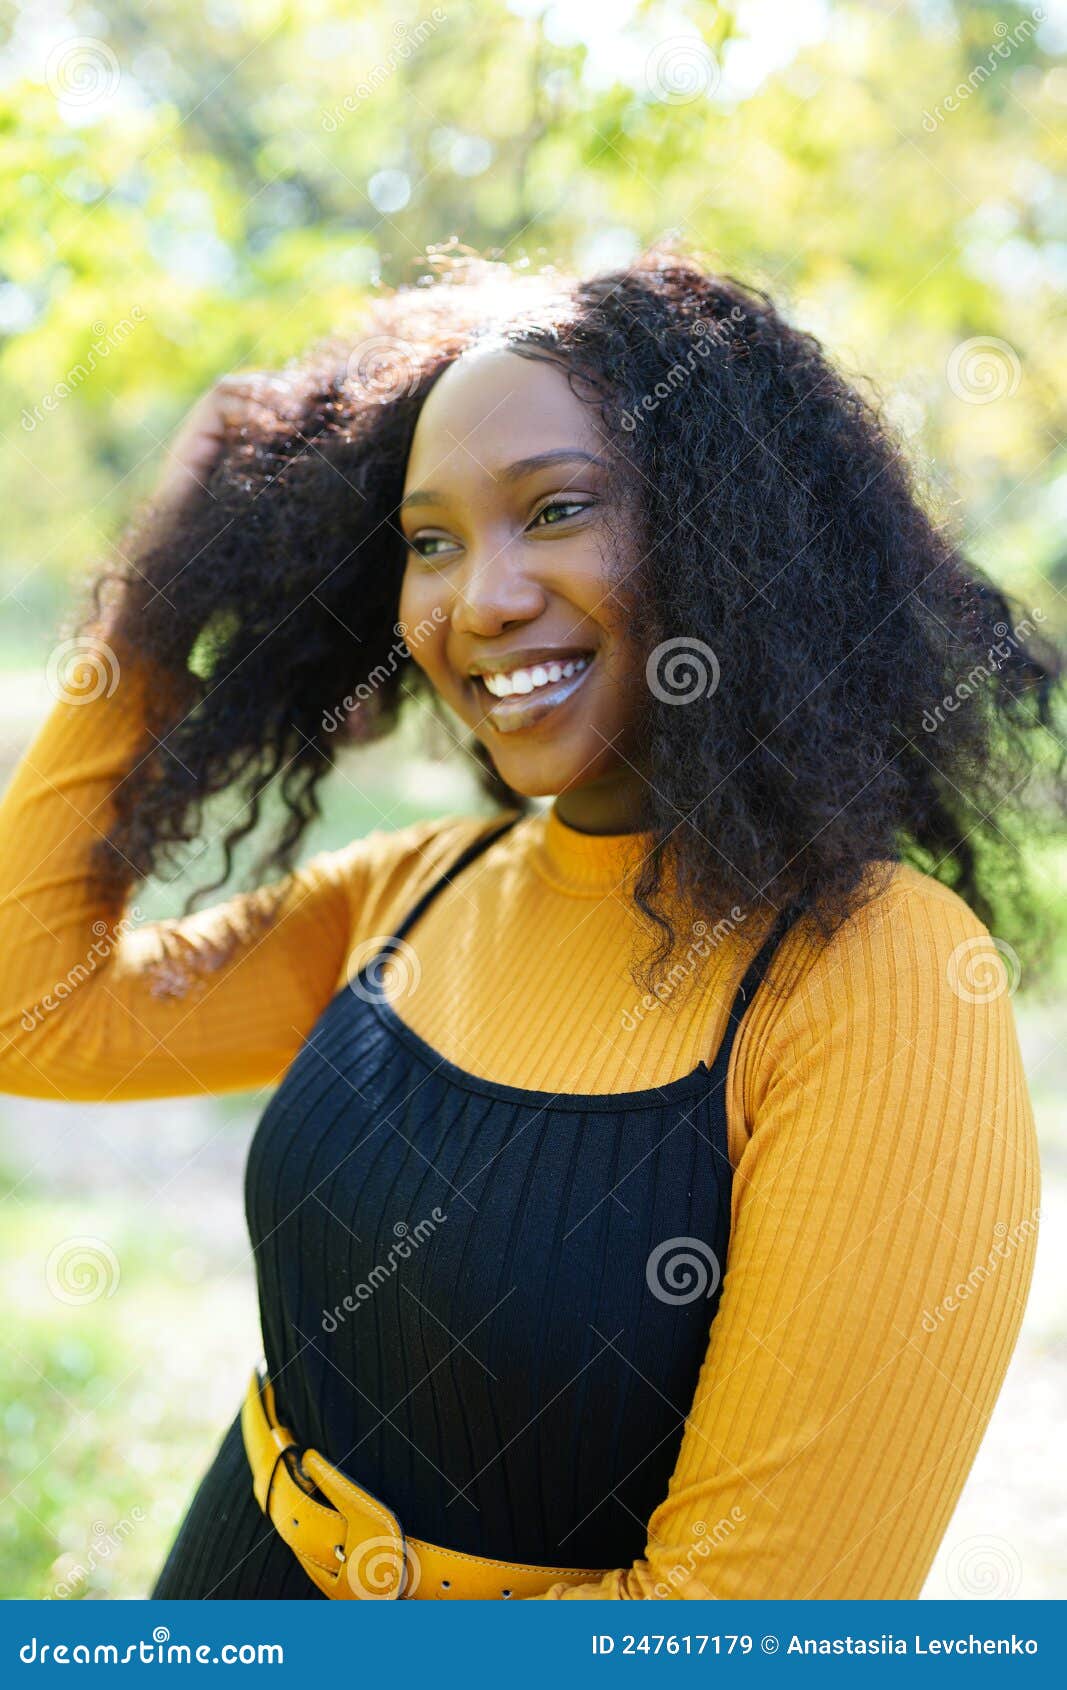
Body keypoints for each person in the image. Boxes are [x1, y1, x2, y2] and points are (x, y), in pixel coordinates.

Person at [0, 249, 1058, 1601]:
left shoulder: (877, 975)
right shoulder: (417, 888)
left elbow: (739, 1630)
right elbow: (30, 1013)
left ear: (733, 534)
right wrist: (157, 599)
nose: (478, 599)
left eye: (555, 509)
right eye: (429, 540)